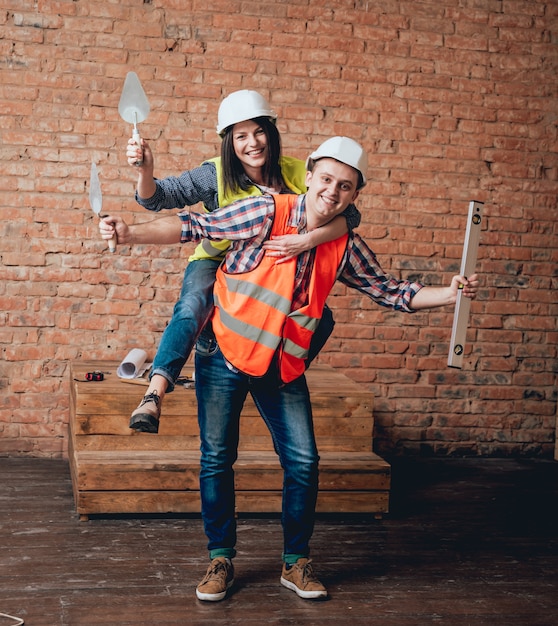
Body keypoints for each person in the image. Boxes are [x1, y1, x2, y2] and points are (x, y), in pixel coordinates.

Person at [99, 136, 479, 602]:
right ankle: (220, 557)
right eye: (325, 179)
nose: (332, 192)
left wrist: (449, 293)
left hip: (280, 365)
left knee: (303, 462)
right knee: (217, 459)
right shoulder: (265, 211)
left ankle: (296, 563)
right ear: (311, 175)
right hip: (223, 353)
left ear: (354, 195)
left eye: (344, 186)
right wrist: (129, 232)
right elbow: (195, 225)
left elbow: (391, 291)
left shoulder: (343, 246)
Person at [125, 90, 360, 433]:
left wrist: (308, 240)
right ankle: (154, 393)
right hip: (217, 258)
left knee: (320, 318)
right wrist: (146, 171)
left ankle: (276, 377)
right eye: (241, 136)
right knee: (192, 306)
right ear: (228, 141)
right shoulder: (214, 175)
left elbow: (350, 215)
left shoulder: (298, 172)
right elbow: (158, 198)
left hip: (267, 265)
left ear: (271, 132)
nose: (253, 143)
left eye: (259, 131)